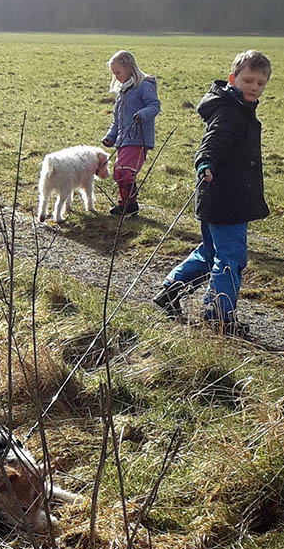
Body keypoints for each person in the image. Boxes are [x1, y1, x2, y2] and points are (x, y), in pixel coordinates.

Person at [153, 50, 272, 335]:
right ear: (233, 79)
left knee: (210, 253)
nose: (254, 87)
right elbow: (213, 142)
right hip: (227, 199)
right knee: (231, 257)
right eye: (248, 80)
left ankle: (170, 290)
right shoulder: (230, 113)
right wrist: (205, 162)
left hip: (217, 196)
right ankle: (218, 316)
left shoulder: (238, 108)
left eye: (260, 82)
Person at [102, 50, 160, 217]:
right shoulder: (123, 92)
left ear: (129, 67)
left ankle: (130, 204)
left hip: (138, 138)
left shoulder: (144, 85)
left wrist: (142, 114)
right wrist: (110, 137)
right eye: (114, 74)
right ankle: (127, 203)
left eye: (118, 72)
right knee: (119, 172)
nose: (117, 76)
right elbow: (117, 119)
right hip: (123, 140)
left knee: (124, 170)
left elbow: (154, 106)